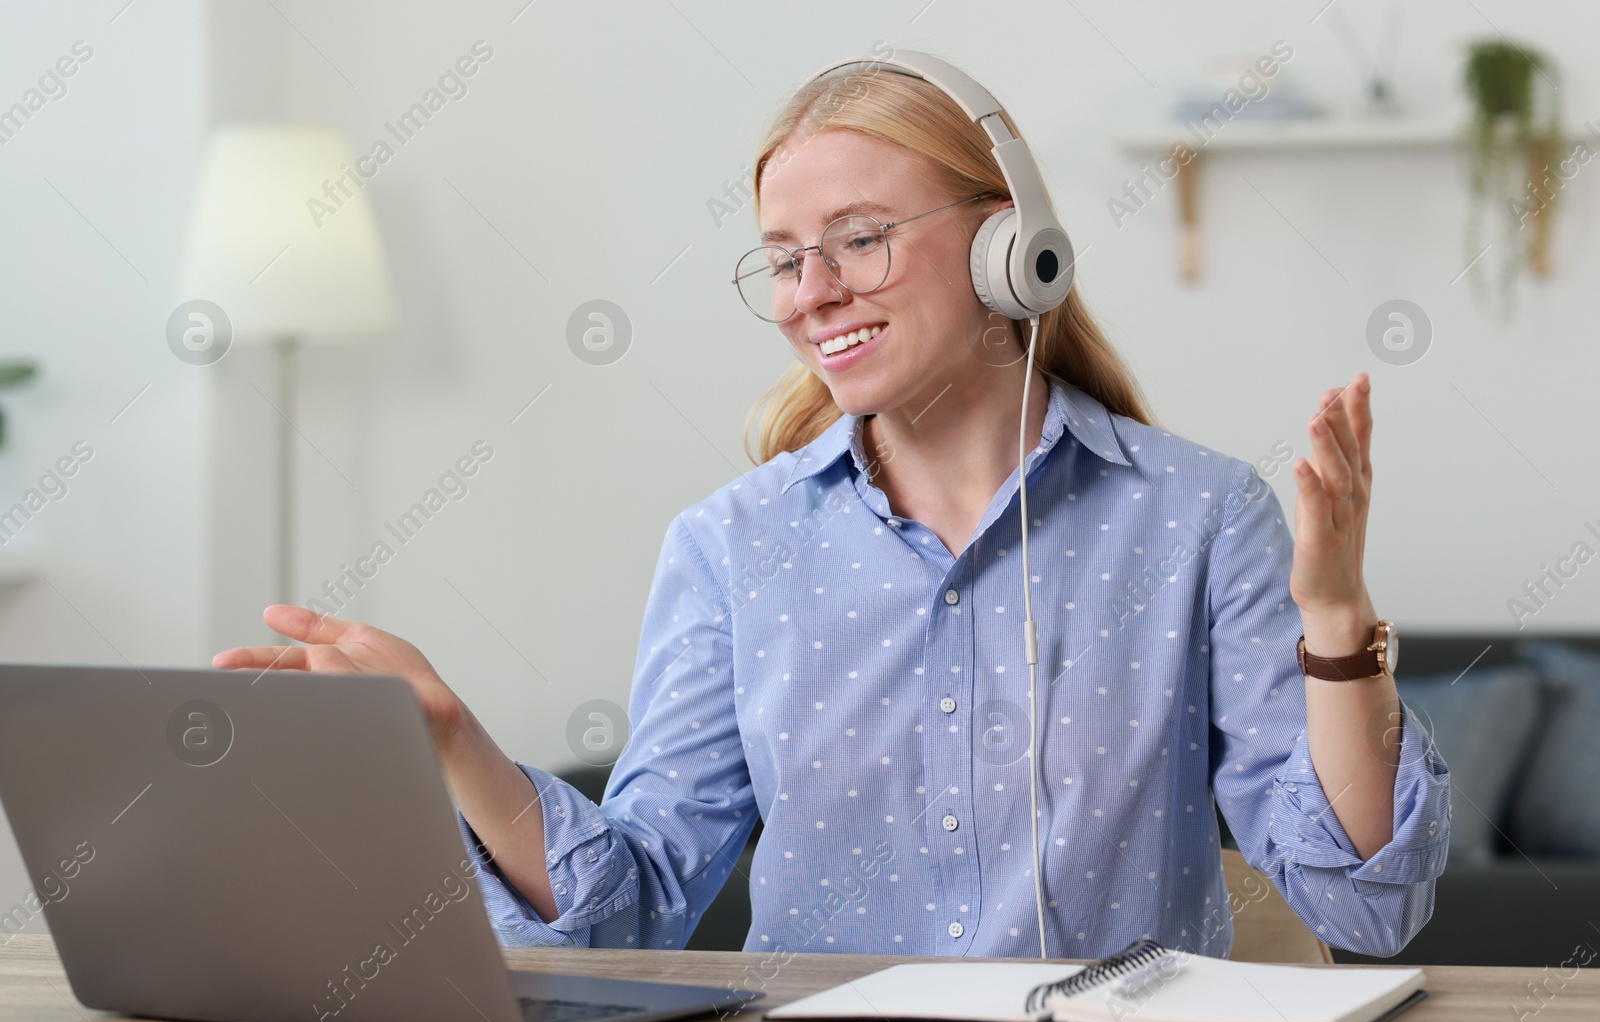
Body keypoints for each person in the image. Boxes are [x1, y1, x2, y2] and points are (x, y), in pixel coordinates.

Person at [213, 54, 1449, 960]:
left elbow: (1366, 905)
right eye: (785, 256)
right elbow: (632, 905)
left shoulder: (1194, 515)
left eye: (858, 240)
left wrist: (1335, 620)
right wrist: (450, 739)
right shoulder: (731, 546)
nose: (812, 293)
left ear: (1010, 249)